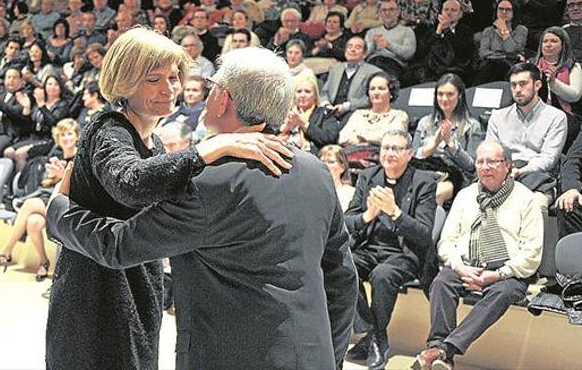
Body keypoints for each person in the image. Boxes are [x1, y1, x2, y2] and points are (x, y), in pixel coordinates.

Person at [46, 46, 357, 369]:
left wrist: (59, 212)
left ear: (223, 99)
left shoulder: (206, 183)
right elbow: (343, 280)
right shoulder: (316, 171)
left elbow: (118, 245)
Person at [412, 141, 543, 370]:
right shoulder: (465, 196)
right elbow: (447, 241)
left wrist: (498, 274)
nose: (485, 167)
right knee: (441, 282)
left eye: (492, 161)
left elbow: (532, 253)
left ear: (507, 166)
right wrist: (459, 266)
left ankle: (443, 350)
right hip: (467, 266)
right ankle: (439, 349)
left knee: (504, 292)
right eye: (480, 162)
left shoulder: (526, 199)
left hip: (506, 273)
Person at [344, 129, 437, 370]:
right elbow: (348, 220)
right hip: (369, 247)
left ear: (409, 154)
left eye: (396, 149)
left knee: (382, 275)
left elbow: (424, 234)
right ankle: (374, 335)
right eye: (385, 148)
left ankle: (373, 339)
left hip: (403, 254)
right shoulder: (367, 176)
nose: (389, 154)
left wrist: (395, 212)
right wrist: (368, 215)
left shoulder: (424, 182)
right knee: (341, 264)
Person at [0, 118, 79, 280]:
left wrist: (62, 177)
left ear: (77, 136)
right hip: (50, 199)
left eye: (70, 133)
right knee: (33, 222)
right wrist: (54, 177)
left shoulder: (80, 157)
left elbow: (77, 189)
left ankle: (5, 253)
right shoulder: (55, 155)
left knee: (29, 204)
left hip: (69, 204)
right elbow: (45, 182)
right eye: (62, 134)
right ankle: (44, 263)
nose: (66, 138)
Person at [485, 62, 567, 212]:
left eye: (522, 84)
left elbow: (549, 159)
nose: (517, 90)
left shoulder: (556, 117)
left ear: (537, 85)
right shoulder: (498, 116)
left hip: (537, 179)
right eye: (513, 85)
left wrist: (521, 171)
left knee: (534, 206)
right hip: (501, 175)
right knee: (470, 200)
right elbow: (490, 153)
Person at [413, 74, 484, 205]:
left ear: (460, 95)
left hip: (455, 175)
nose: (444, 99)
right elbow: (413, 156)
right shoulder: (425, 123)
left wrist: (450, 144)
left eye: (450, 94)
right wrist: (435, 143)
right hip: (426, 170)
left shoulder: (472, 126)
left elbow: (471, 166)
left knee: (433, 193)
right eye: (440, 94)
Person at [338, 72, 409, 148]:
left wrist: (361, 136)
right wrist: (370, 140)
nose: (376, 92)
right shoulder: (358, 114)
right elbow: (343, 138)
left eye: (381, 88)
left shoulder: (399, 115)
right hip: (353, 155)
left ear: (391, 93)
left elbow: (392, 139)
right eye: (372, 89)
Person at [321, 36, 383, 117]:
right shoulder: (335, 69)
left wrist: (347, 106)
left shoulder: (374, 72)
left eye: (358, 47)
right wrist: (326, 105)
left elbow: (373, 98)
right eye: (349, 47)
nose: (353, 50)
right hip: (330, 113)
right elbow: (324, 92)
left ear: (364, 54)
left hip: (356, 114)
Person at [279, 74, 340, 154]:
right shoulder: (285, 113)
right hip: (284, 152)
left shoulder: (324, 113)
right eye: (299, 91)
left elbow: (330, 138)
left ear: (315, 96)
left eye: (307, 91)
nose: (303, 95)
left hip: (311, 155)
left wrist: (304, 124)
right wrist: (286, 128)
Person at [473, 0, 528, 84]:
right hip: (490, 66)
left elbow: (511, 49)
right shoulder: (488, 31)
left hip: (512, 66)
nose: (504, 12)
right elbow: (483, 53)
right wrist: (505, 56)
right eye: (501, 9)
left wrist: (504, 31)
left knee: (502, 66)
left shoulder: (521, 30)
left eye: (508, 10)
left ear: (514, 12)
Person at [319, 144, 356, 210]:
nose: (325, 166)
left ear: (342, 167)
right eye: (322, 162)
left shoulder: (351, 194)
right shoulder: (312, 191)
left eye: (331, 162)